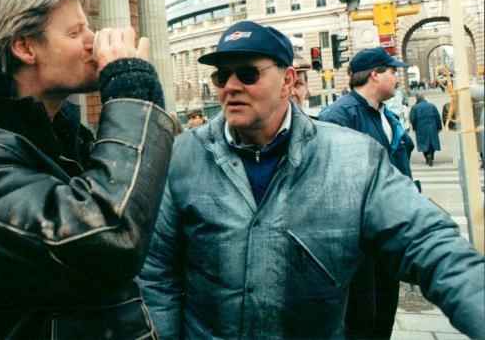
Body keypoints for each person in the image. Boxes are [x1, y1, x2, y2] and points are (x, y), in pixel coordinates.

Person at [138, 21, 484, 339]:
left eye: (247, 73)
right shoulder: (181, 157)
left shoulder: (353, 157)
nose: (230, 86)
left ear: (288, 80)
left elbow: (427, 242)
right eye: (220, 76)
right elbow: (155, 276)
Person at [0, 0, 175, 339]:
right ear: (25, 47)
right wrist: (131, 89)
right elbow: (108, 239)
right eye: (75, 31)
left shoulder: (62, 136)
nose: (93, 41)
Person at [318, 47, 415, 338]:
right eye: (393, 71)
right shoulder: (338, 116)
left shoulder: (386, 115)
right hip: (359, 243)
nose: (398, 77)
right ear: (375, 74)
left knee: (385, 309)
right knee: (362, 318)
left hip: (388, 234)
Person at [410, 94, 442, 166]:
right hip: (432, 127)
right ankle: (431, 155)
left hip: (420, 128)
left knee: (423, 143)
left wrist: (414, 127)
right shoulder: (432, 106)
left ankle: (427, 156)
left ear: (417, 99)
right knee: (432, 142)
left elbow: (412, 119)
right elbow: (437, 117)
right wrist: (439, 127)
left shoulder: (414, 108)